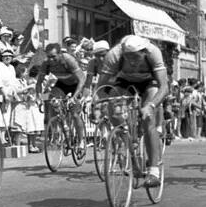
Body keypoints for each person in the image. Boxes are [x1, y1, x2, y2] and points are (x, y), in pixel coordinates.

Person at [95, 35, 168, 187]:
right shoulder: (114, 55)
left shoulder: (153, 52)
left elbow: (164, 87)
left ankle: (154, 171)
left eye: (136, 56)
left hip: (150, 81)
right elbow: (101, 87)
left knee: (148, 119)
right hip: (124, 81)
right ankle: (128, 143)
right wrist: (100, 103)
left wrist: (151, 106)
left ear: (144, 52)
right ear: (122, 53)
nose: (133, 61)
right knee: (114, 109)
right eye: (128, 57)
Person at [35, 42, 86, 149]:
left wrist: (74, 97)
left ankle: (81, 141)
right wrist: (38, 97)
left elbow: (82, 80)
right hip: (61, 84)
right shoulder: (46, 63)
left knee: (75, 114)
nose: (51, 60)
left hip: (75, 85)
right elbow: (38, 82)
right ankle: (61, 128)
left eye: (53, 57)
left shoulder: (68, 60)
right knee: (52, 101)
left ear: (60, 54)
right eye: (48, 57)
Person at [14, 64, 43, 153]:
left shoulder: (31, 81)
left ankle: (33, 145)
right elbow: (28, 92)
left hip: (33, 103)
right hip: (29, 105)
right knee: (31, 126)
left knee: (35, 126)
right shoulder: (30, 81)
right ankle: (30, 145)